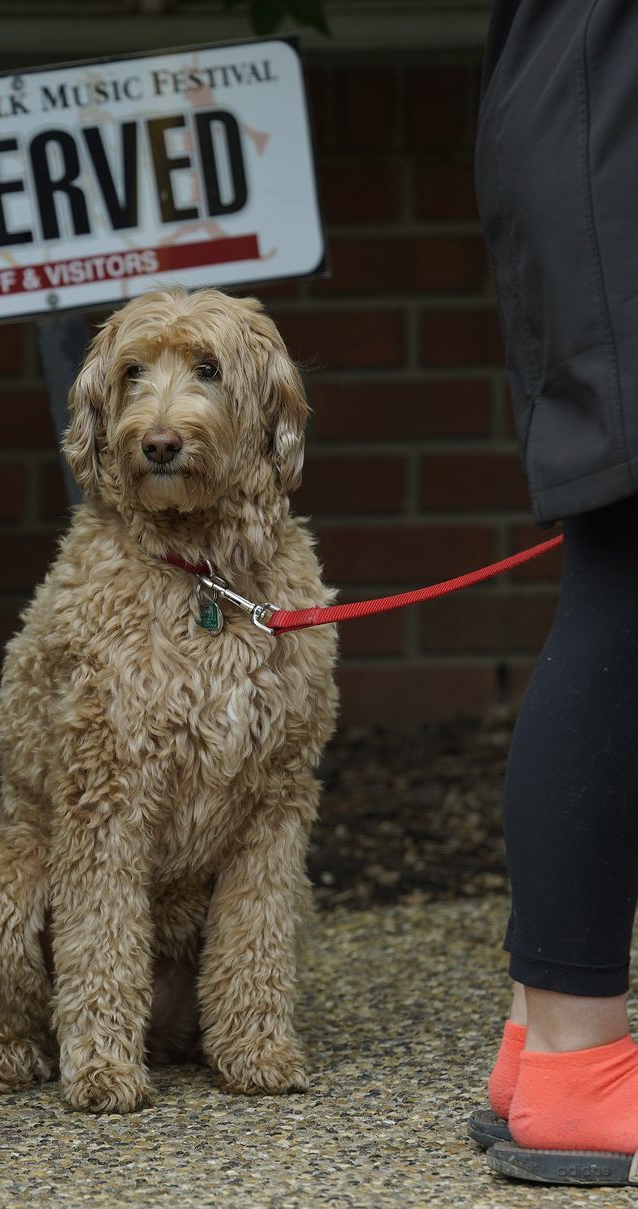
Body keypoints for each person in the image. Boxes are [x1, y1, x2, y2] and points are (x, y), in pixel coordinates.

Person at [472, 0, 638, 1185]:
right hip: (612, 124)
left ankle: (542, 1041)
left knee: (617, 583)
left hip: (586, 111)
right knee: (627, 589)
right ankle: (578, 1059)